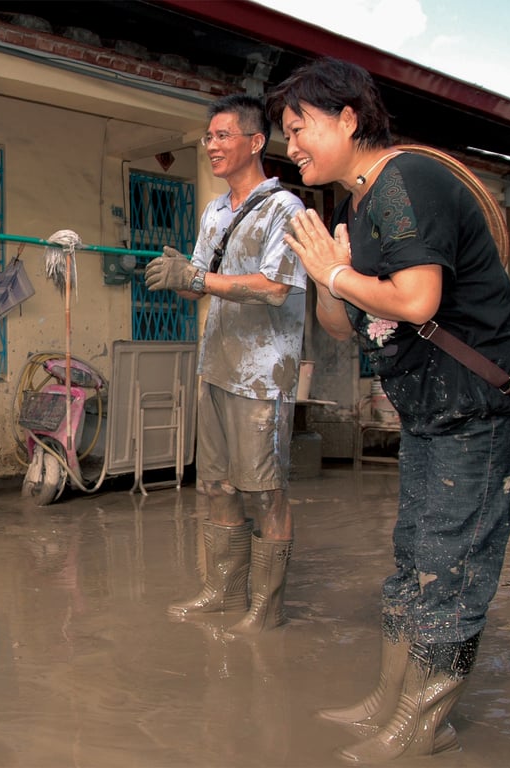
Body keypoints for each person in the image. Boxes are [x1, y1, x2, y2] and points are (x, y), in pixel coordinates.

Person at [270, 57, 510, 762]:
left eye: (300, 128)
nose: (290, 144)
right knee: (412, 561)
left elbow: (415, 301)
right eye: (285, 133)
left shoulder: (405, 180)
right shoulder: (361, 204)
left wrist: (335, 271)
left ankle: (425, 725)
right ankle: (387, 702)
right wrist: (327, 277)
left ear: (348, 117)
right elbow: (341, 324)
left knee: (448, 572)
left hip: (476, 414)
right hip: (429, 416)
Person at [145, 94, 307, 635]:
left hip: (264, 374)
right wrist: (173, 274)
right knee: (216, 485)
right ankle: (221, 592)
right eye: (208, 136)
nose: (210, 145)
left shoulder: (286, 208)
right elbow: (198, 282)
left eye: (222, 136)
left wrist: (197, 280)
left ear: (255, 142)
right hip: (215, 365)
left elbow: (275, 288)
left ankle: (267, 606)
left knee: (266, 491)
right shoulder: (214, 211)